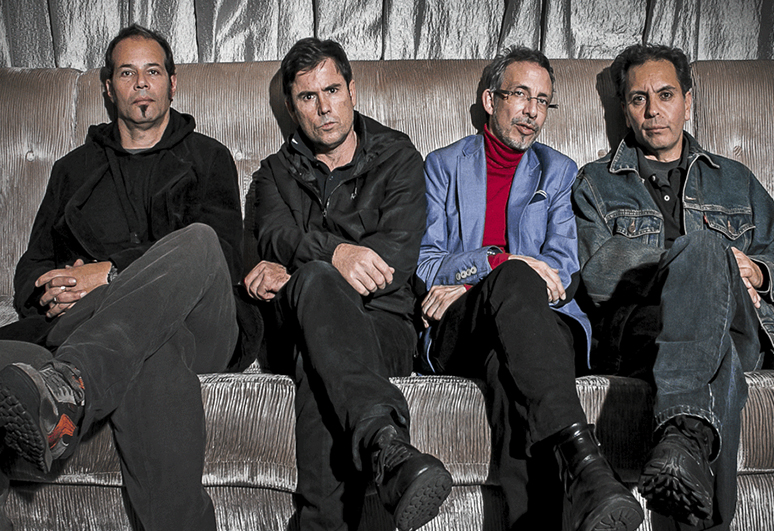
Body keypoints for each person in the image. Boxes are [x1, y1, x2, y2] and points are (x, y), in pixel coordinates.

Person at [0, 24, 246, 530]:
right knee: (151, 351)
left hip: (201, 322)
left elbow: (223, 256)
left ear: (172, 82)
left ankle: (72, 383)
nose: (141, 83)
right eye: (127, 73)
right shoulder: (72, 169)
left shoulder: (208, 158)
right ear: (108, 87)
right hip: (92, 326)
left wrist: (109, 275)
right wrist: (53, 287)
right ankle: (66, 385)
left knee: (199, 240)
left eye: (152, 71)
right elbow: (32, 266)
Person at [573, 43, 774, 530]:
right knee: (706, 277)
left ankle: (681, 438)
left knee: (709, 275)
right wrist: (698, 262)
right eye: (638, 99)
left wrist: (756, 272)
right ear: (625, 110)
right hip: (644, 334)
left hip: (740, 324)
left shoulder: (735, 181)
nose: (653, 111)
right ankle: (688, 443)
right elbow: (597, 275)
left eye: (666, 94)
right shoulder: (596, 183)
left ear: (688, 101)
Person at [415, 46, 643, 531]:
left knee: (507, 373)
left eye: (543, 101)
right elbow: (426, 266)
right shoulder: (442, 166)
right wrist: (498, 265)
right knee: (516, 275)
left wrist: (484, 280)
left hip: (540, 325)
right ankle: (585, 462)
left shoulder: (558, 171)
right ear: (490, 99)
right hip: (462, 326)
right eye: (521, 95)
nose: (532, 111)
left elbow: (562, 271)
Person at [245, 38, 452, 531]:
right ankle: (386, 445)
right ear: (292, 108)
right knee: (317, 292)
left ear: (351, 90)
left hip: (386, 324)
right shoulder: (274, 173)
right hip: (293, 322)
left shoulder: (398, 156)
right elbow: (272, 235)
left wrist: (305, 263)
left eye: (332, 90)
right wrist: (336, 255)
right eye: (307, 97)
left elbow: (392, 262)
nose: (324, 108)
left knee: (320, 358)